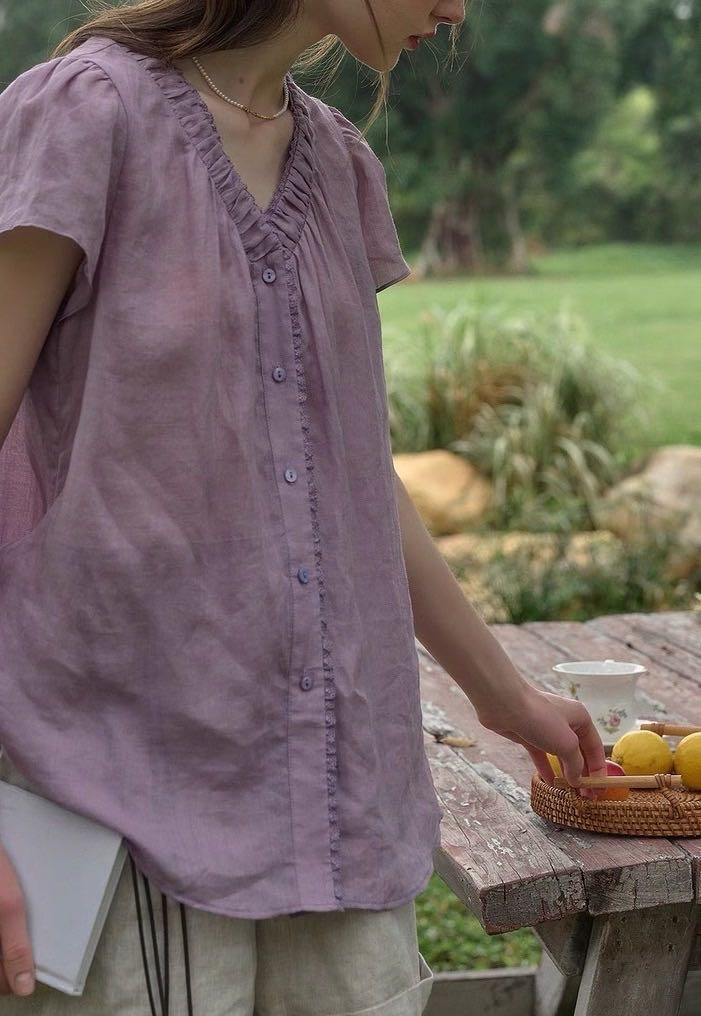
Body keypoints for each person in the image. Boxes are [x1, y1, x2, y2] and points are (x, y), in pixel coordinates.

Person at [0, 0, 609, 1011]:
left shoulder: (338, 164)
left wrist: (501, 693)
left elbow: (349, 469)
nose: (455, 10)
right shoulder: (86, 114)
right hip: (115, 791)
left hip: (335, 797)